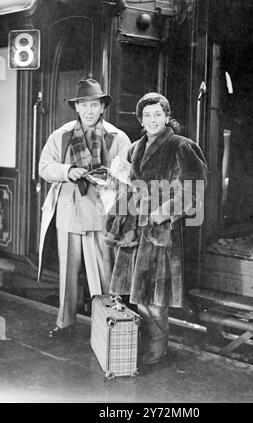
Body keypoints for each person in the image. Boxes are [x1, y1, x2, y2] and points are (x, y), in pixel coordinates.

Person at [105, 92, 207, 364]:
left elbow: (194, 190)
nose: (152, 120)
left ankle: (157, 348)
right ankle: (145, 345)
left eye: (157, 115)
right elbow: (128, 184)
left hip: (161, 231)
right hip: (136, 230)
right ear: (141, 119)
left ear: (167, 117)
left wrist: (165, 212)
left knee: (155, 297)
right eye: (147, 115)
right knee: (139, 296)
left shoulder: (182, 146)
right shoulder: (135, 147)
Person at [38, 78, 131, 338]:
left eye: (94, 105)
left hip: (101, 214)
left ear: (102, 107)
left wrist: (109, 178)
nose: (89, 110)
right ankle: (65, 324)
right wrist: (68, 170)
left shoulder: (118, 137)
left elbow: (127, 176)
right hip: (69, 213)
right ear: (76, 108)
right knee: (67, 276)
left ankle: (108, 327)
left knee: (104, 276)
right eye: (84, 105)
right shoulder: (62, 135)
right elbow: (44, 167)